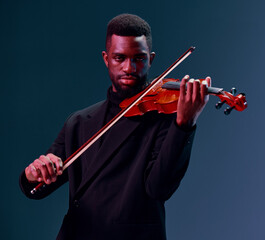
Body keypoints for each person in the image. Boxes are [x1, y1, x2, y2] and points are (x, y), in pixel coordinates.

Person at [19, 13, 211, 240]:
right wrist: (33, 174)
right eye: (119, 58)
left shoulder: (167, 119)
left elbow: (159, 188)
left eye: (138, 58)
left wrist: (185, 123)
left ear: (151, 59)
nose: (129, 67)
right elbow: (38, 188)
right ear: (106, 58)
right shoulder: (79, 121)